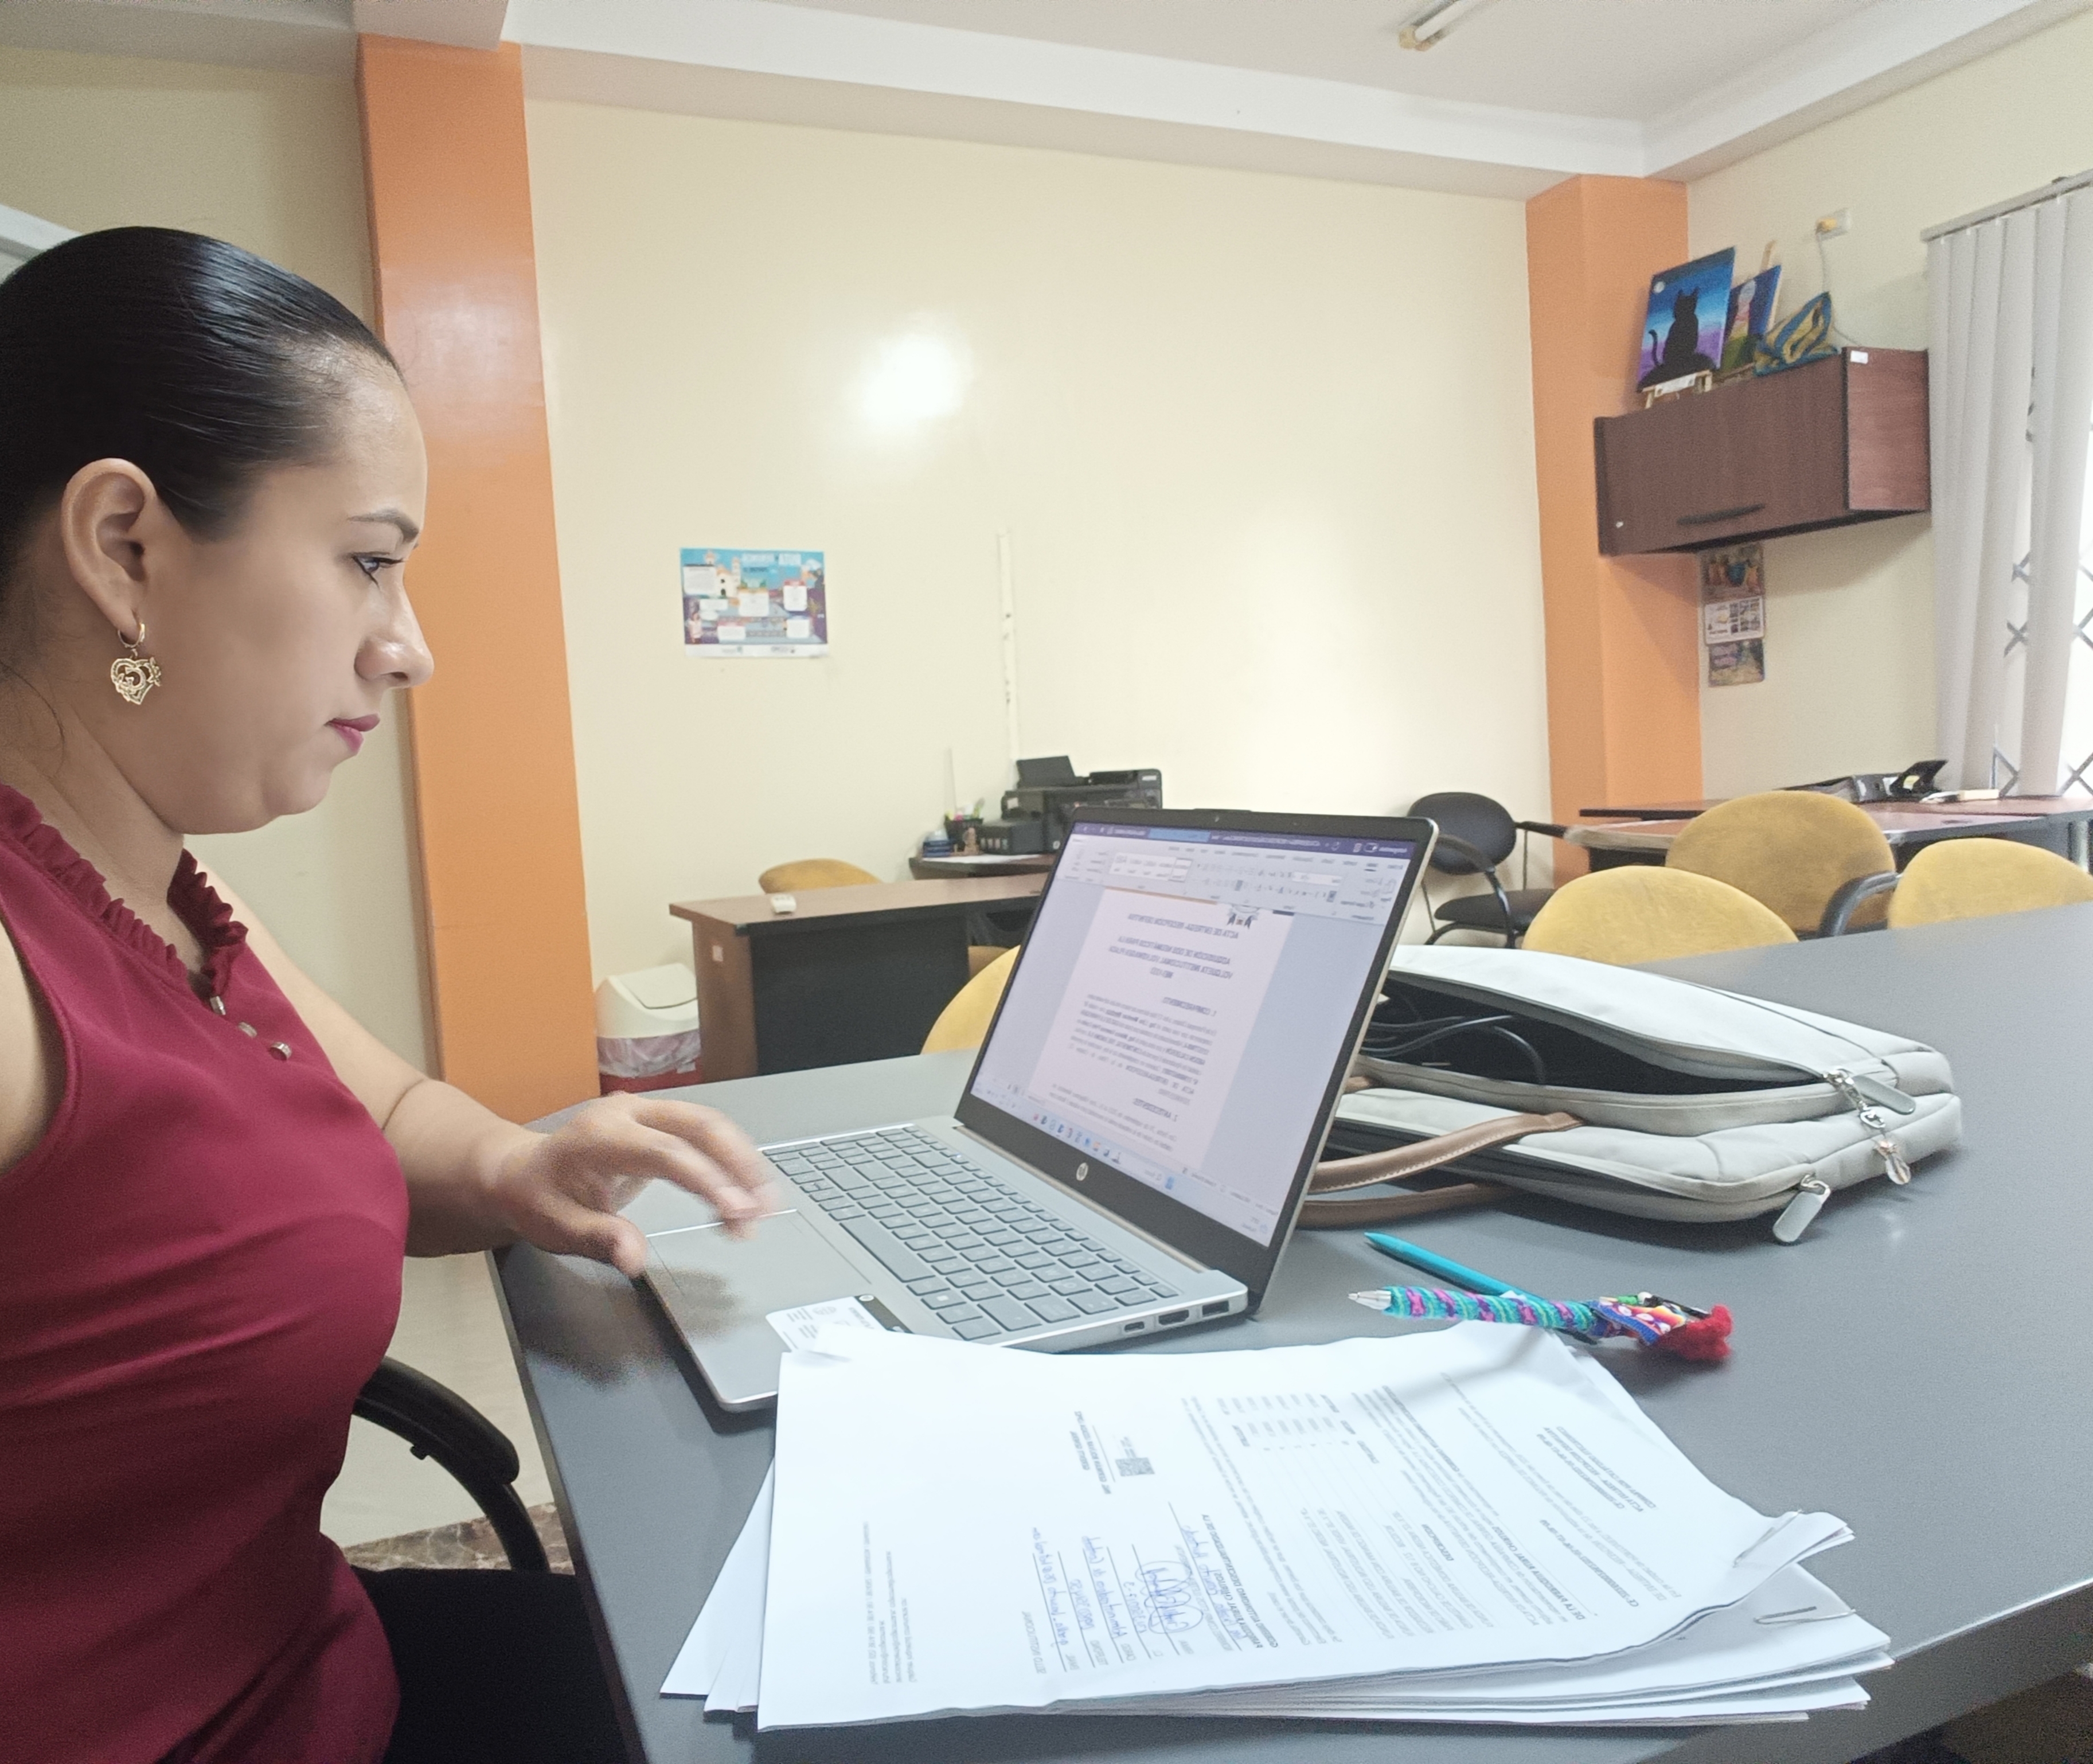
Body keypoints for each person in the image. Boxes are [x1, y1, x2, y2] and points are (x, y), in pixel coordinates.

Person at [0, 228, 774, 1763]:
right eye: (368, 560)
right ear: (125, 547)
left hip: (311, 1659)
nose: (409, 647)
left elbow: (394, 1109)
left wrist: (514, 1163)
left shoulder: (164, 886)